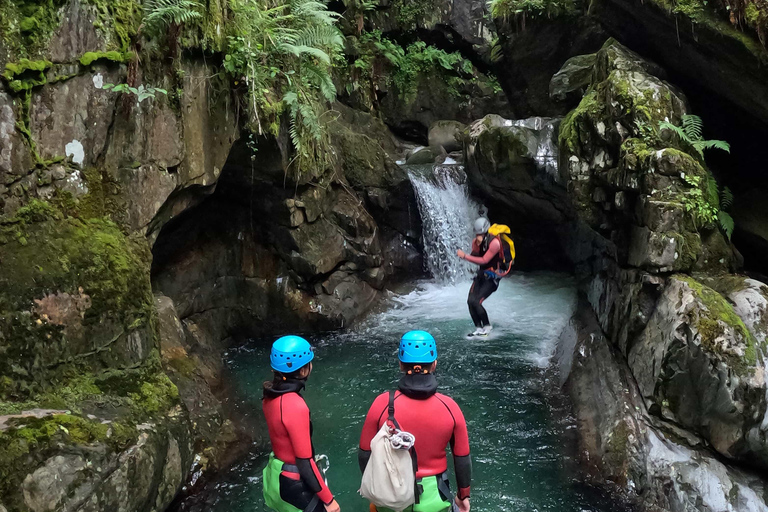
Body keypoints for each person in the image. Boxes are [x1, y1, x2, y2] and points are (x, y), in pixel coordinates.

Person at [359, 330, 471, 512]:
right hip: (435, 498)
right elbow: (462, 459)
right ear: (434, 364)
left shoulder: (381, 404)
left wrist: (375, 492)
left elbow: (364, 454)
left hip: (390, 496)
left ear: (401, 365)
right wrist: (463, 496)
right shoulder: (450, 407)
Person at [262, 335, 341, 512]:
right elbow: (304, 462)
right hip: (293, 483)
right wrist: (329, 501)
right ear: (304, 370)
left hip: (276, 476)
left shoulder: (269, 395)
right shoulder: (295, 405)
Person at [456, 217, 501, 337]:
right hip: (481, 276)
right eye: (477, 234)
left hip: (492, 278)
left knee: (477, 302)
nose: (478, 235)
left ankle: (487, 326)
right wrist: (476, 245)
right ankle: (478, 328)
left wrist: (464, 256)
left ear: (486, 231)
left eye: (480, 233)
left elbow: (484, 260)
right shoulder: (476, 241)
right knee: (470, 301)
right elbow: (475, 256)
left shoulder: (495, 243)